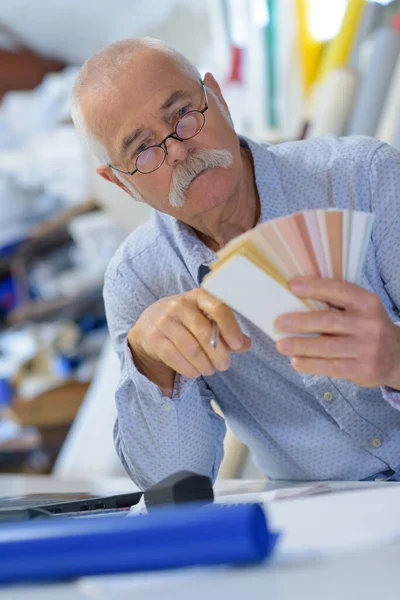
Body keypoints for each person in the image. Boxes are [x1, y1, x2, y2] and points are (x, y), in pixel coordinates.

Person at [71, 37, 400, 489]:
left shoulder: (363, 177)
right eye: (143, 150)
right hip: (324, 524)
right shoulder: (139, 281)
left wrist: (395, 358)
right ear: (120, 183)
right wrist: (150, 363)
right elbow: (174, 484)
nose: (179, 150)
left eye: (183, 115)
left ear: (217, 98)